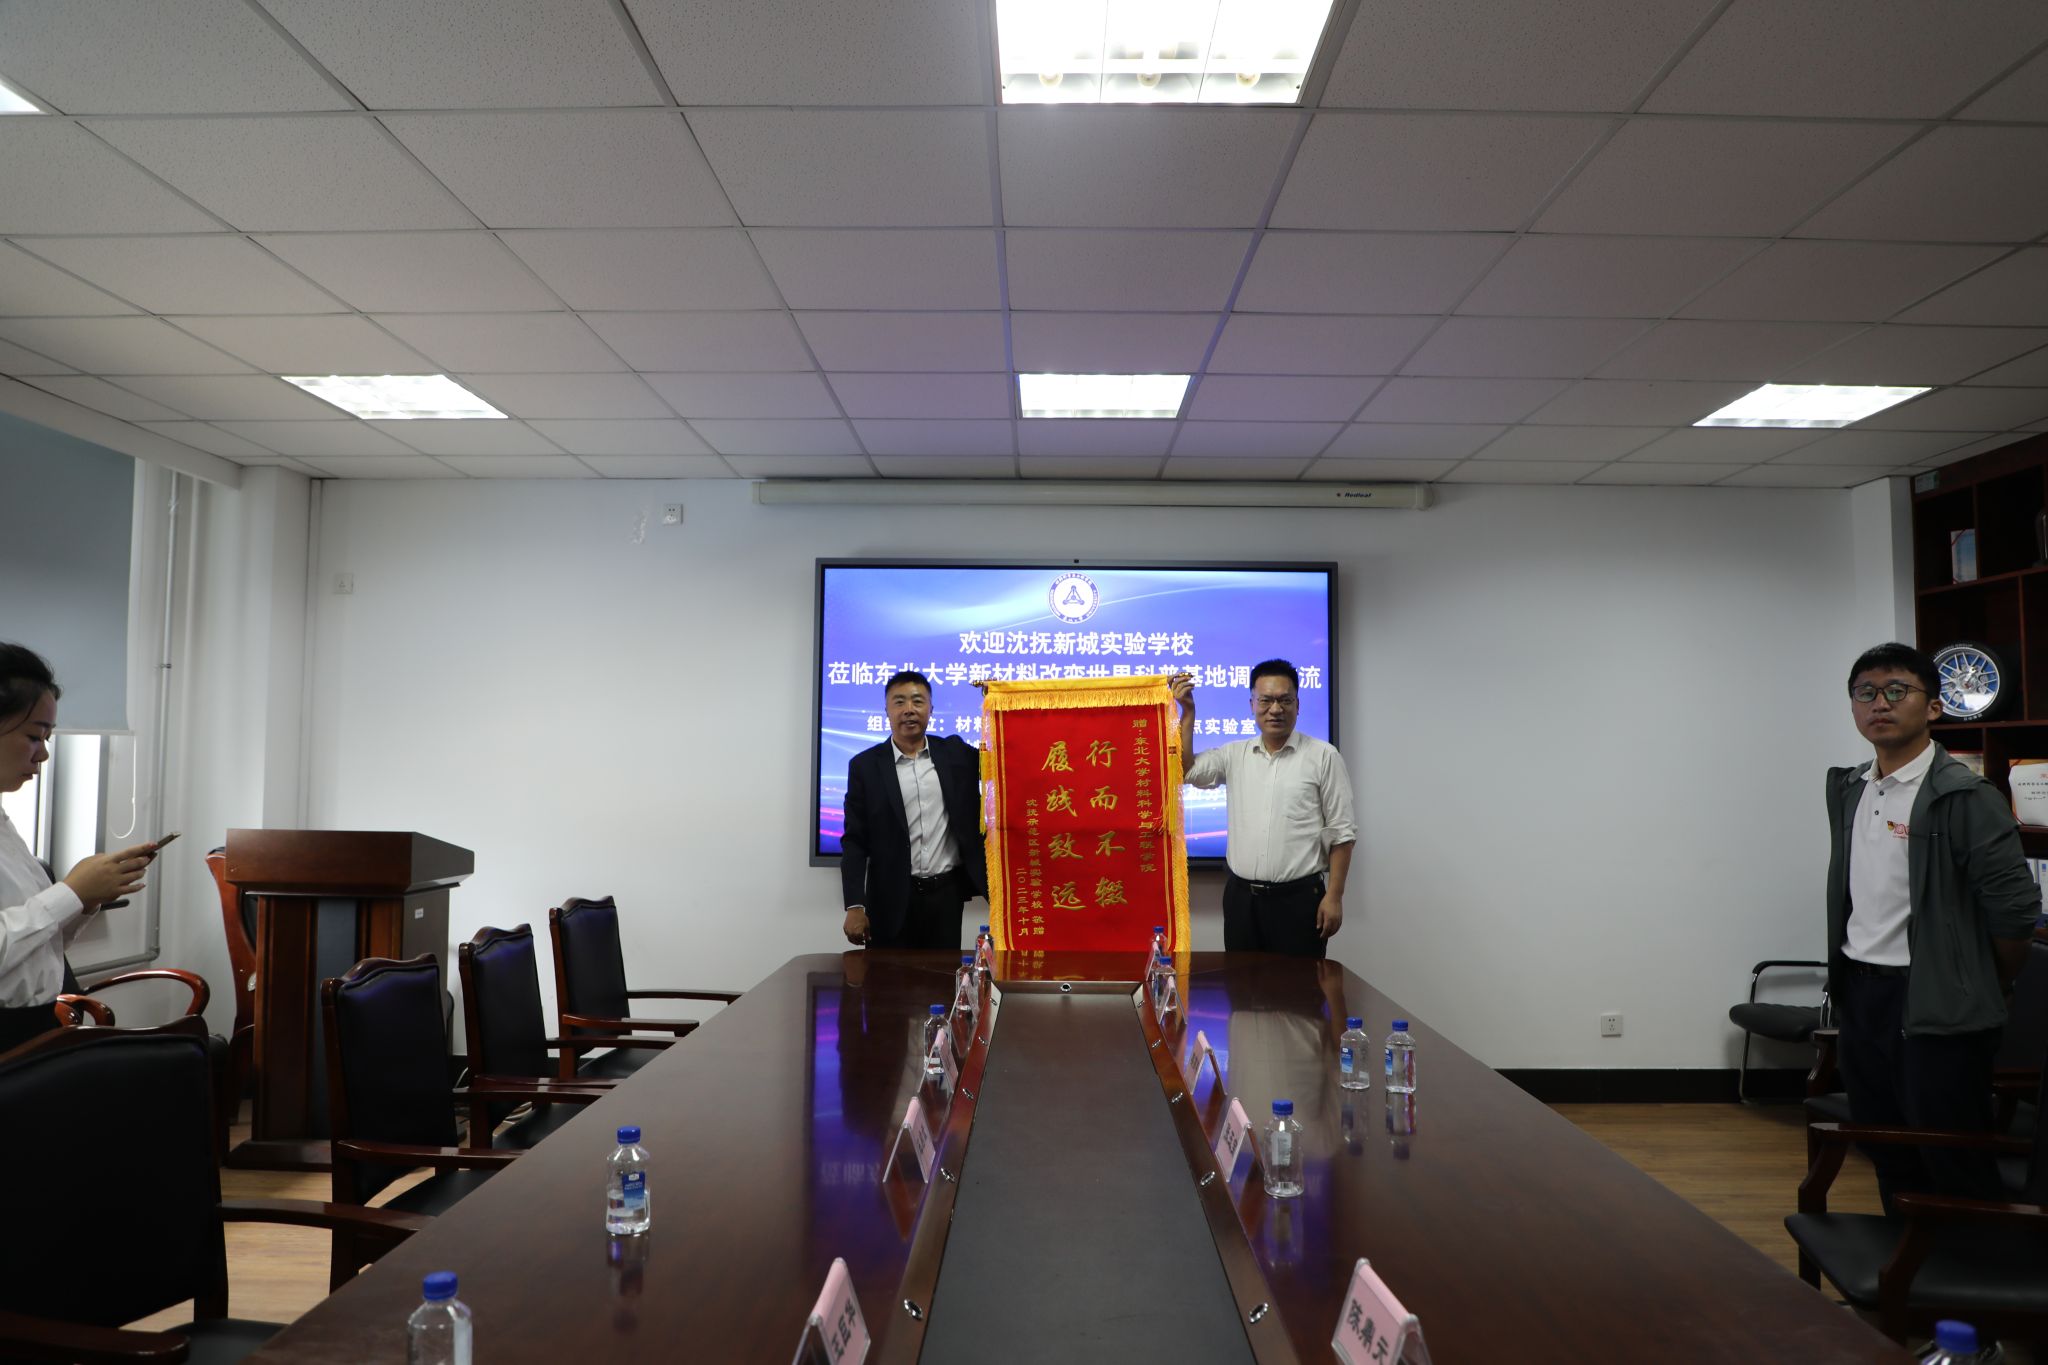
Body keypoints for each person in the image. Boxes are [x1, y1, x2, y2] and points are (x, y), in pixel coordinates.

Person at [1826, 642, 2037, 1207]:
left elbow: (2016, 914)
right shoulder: (1851, 788)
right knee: (1885, 1143)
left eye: (1898, 690)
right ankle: (1906, 1254)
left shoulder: (1965, 795)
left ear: (1934, 707)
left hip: (1935, 999)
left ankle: (1975, 1257)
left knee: (1951, 1152)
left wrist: (1976, 980)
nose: (1880, 703)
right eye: (1866, 692)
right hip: (1862, 992)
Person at [0, 644, 159, 1054]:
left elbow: (37, 947)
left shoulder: (5, 826)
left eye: (47, 738)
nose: (44, 753)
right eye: (34, 736)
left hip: (34, 1028)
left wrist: (85, 900)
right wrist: (69, 892)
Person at [1173, 660, 1356, 958]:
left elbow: (1342, 833)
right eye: (1266, 700)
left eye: (1285, 700)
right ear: (1252, 704)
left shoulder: (1324, 757)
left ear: (1298, 705)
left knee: (1300, 985)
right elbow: (1186, 770)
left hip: (1299, 901)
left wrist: (1334, 896)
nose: (1275, 709)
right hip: (1242, 901)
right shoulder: (1234, 754)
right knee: (1241, 984)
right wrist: (1188, 713)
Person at [840, 670, 987, 950]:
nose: (909, 709)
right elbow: (855, 840)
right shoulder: (865, 767)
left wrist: (1001, 701)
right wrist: (855, 905)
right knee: (887, 976)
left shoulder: (957, 755)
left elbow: (1004, 756)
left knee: (943, 974)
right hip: (889, 898)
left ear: (931, 708)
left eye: (918, 701)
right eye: (899, 702)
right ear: (886, 710)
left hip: (946, 897)